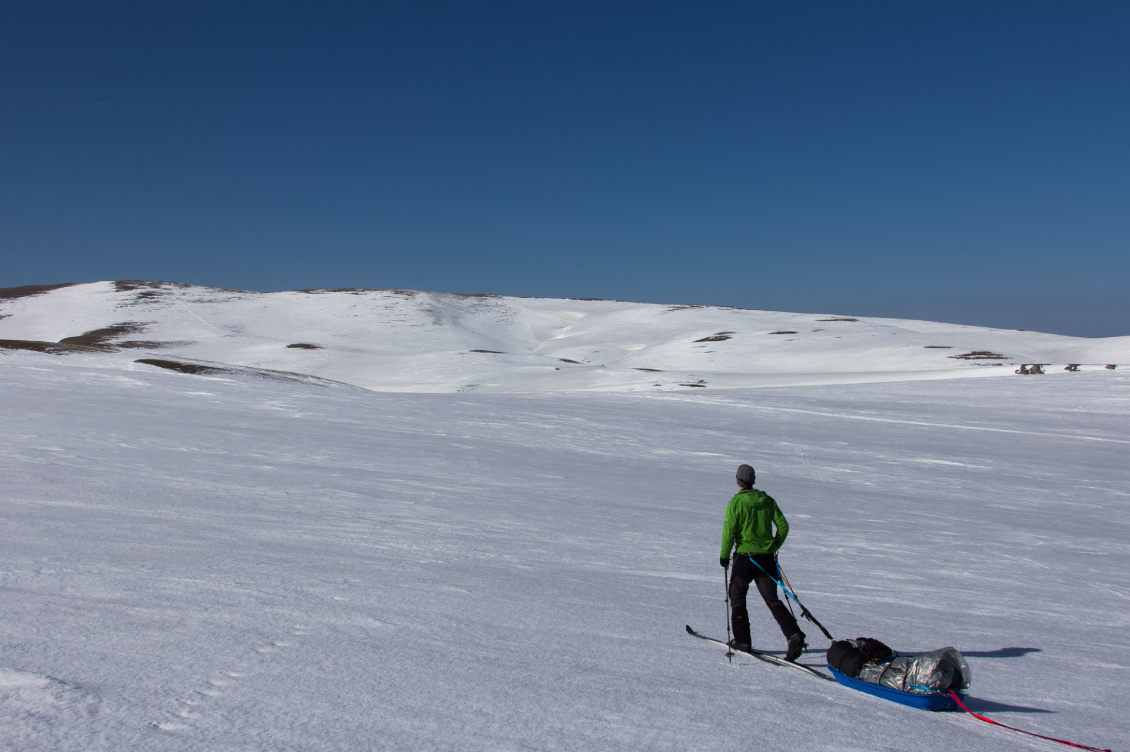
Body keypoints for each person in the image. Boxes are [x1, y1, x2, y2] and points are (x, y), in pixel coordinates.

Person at [720, 464, 806, 661]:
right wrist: (774, 546)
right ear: (753, 480)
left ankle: (743, 641)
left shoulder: (735, 503)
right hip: (766, 559)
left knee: (737, 596)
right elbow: (783, 526)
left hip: (744, 558)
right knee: (772, 599)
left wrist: (724, 556)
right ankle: (794, 635)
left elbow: (729, 532)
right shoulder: (768, 501)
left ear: (738, 480)